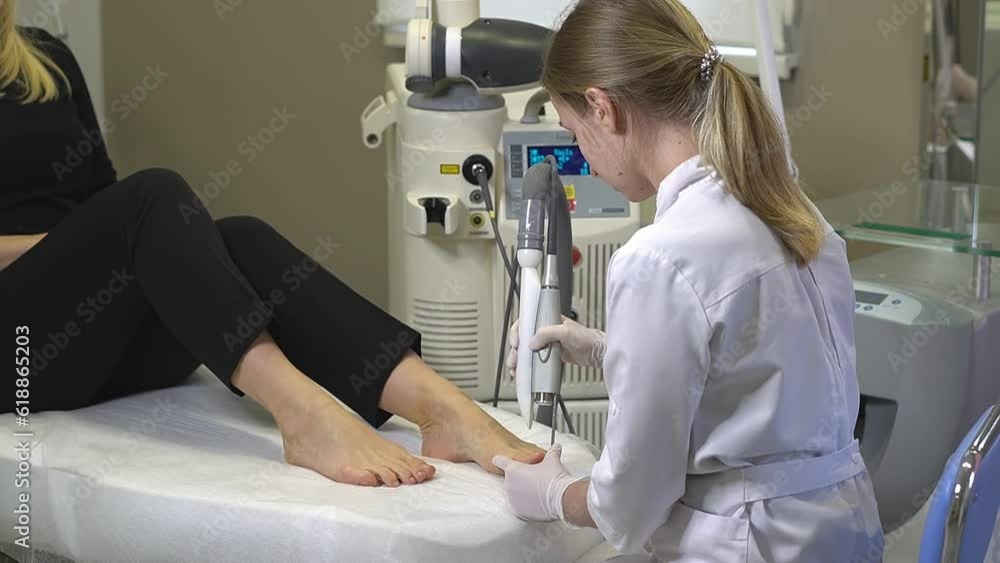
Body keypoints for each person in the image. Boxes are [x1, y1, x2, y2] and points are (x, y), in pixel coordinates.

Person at [0, 0, 544, 489]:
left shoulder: (46, 57)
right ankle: (303, 416)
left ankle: (442, 410)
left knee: (240, 237)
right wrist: (80, 246)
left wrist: (110, 247)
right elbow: (114, 220)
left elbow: (100, 196)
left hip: (94, 343)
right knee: (152, 197)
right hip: (19, 359)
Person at [492, 0, 885, 561]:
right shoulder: (793, 212)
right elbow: (762, 374)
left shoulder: (660, 257)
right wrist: (608, 349)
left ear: (603, 108)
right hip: (841, 530)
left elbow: (630, 503)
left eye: (575, 133)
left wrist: (555, 494)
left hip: (747, 543)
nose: (585, 159)